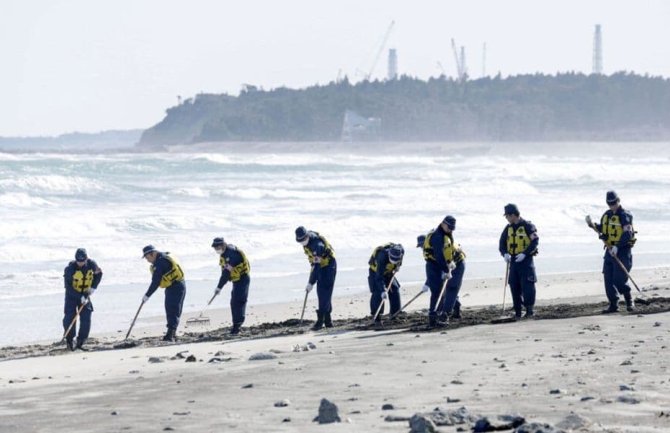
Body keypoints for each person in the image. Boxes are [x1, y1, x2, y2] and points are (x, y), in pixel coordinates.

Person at [586, 191, 636, 313]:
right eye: (609, 203)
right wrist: (592, 225)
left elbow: (627, 233)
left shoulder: (625, 215)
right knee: (608, 278)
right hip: (609, 250)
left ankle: (629, 300)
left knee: (618, 279)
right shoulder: (607, 215)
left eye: (614, 203)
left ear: (618, 201)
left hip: (622, 251)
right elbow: (603, 229)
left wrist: (617, 246)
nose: (612, 205)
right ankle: (613, 304)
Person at [421, 215, 464, 327]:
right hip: (435, 264)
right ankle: (433, 316)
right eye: (449, 227)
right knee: (436, 291)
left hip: (454, 263)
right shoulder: (437, 237)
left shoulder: (447, 234)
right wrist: (445, 270)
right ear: (443, 223)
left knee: (450, 288)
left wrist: (448, 266)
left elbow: (447, 254)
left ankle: (446, 313)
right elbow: (439, 256)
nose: (450, 230)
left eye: (452, 228)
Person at [498, 204, 538, 319]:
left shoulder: (528, 226)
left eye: (507, 216)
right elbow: (502, 243)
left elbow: (535, 241)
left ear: (513, 215)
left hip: (525, 260)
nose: (506, 219)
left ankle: (529, 310)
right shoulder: (508, 228)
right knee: (513, 284)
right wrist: (504, 253)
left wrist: (525, 254)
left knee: (527, 285)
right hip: (514, 261)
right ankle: (518, 311)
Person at [141, 245, 186, 342]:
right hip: (176, 286)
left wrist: (147, 295)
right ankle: (172, 333)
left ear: (153, 253)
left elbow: (156, 282)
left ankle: (170, 335)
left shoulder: (160, 262)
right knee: (173, 310)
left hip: (176, 287)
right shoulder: (162, 257)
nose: (148, 260)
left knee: (172, 310)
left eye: (148, 257)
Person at [295, 226, 337, 330]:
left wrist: (311, 283)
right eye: (300, 241)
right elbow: (314, 265)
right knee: (321, 292)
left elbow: (317, 265)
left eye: (303, 240)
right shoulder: (307, 243)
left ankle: (320, 321)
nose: (302, 242)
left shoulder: (316, 246)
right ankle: (328, 321)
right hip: (319, 265)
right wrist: (311, 281)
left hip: (328, 266)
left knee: (325, 292)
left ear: (307, 236)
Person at [63, 248, 102, 351]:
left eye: (82, 261)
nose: (80, 263)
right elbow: (68, 287)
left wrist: (93, 287)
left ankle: (81, 341)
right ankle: (69, 340)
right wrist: (79, 297)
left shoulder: (92, 264)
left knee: (86, 316)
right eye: (78, 261)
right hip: (72, 295)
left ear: (86, 259)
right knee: (69, 317)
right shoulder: (69, 269)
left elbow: (99, 274)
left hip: (85, 293)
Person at [211, 237, 251, 335]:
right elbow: (224, 272)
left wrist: (219, 287)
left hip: (243, 278)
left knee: (238, 301)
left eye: (218, 247)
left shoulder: (232, 254)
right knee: (233, 302)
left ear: (223, 244)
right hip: (236, 280)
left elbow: (226, 273)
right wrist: (219, 287)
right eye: (215, 248)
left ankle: (237, 327)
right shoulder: (224, 254)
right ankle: (236, 325)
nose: (217, 249)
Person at [368, 243, 404, 322]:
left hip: (389, 271)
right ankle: (376, 316)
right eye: (392, 259)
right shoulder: (382, 257)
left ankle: (395, 313)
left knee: (395, 289)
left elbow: (400, 260)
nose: (394, 261)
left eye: (396, 260)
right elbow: (379, 278)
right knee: (378, 292)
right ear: (389, 254)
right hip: (376, 272)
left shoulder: (401, 251)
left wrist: (398, 265)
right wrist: (383, 291)